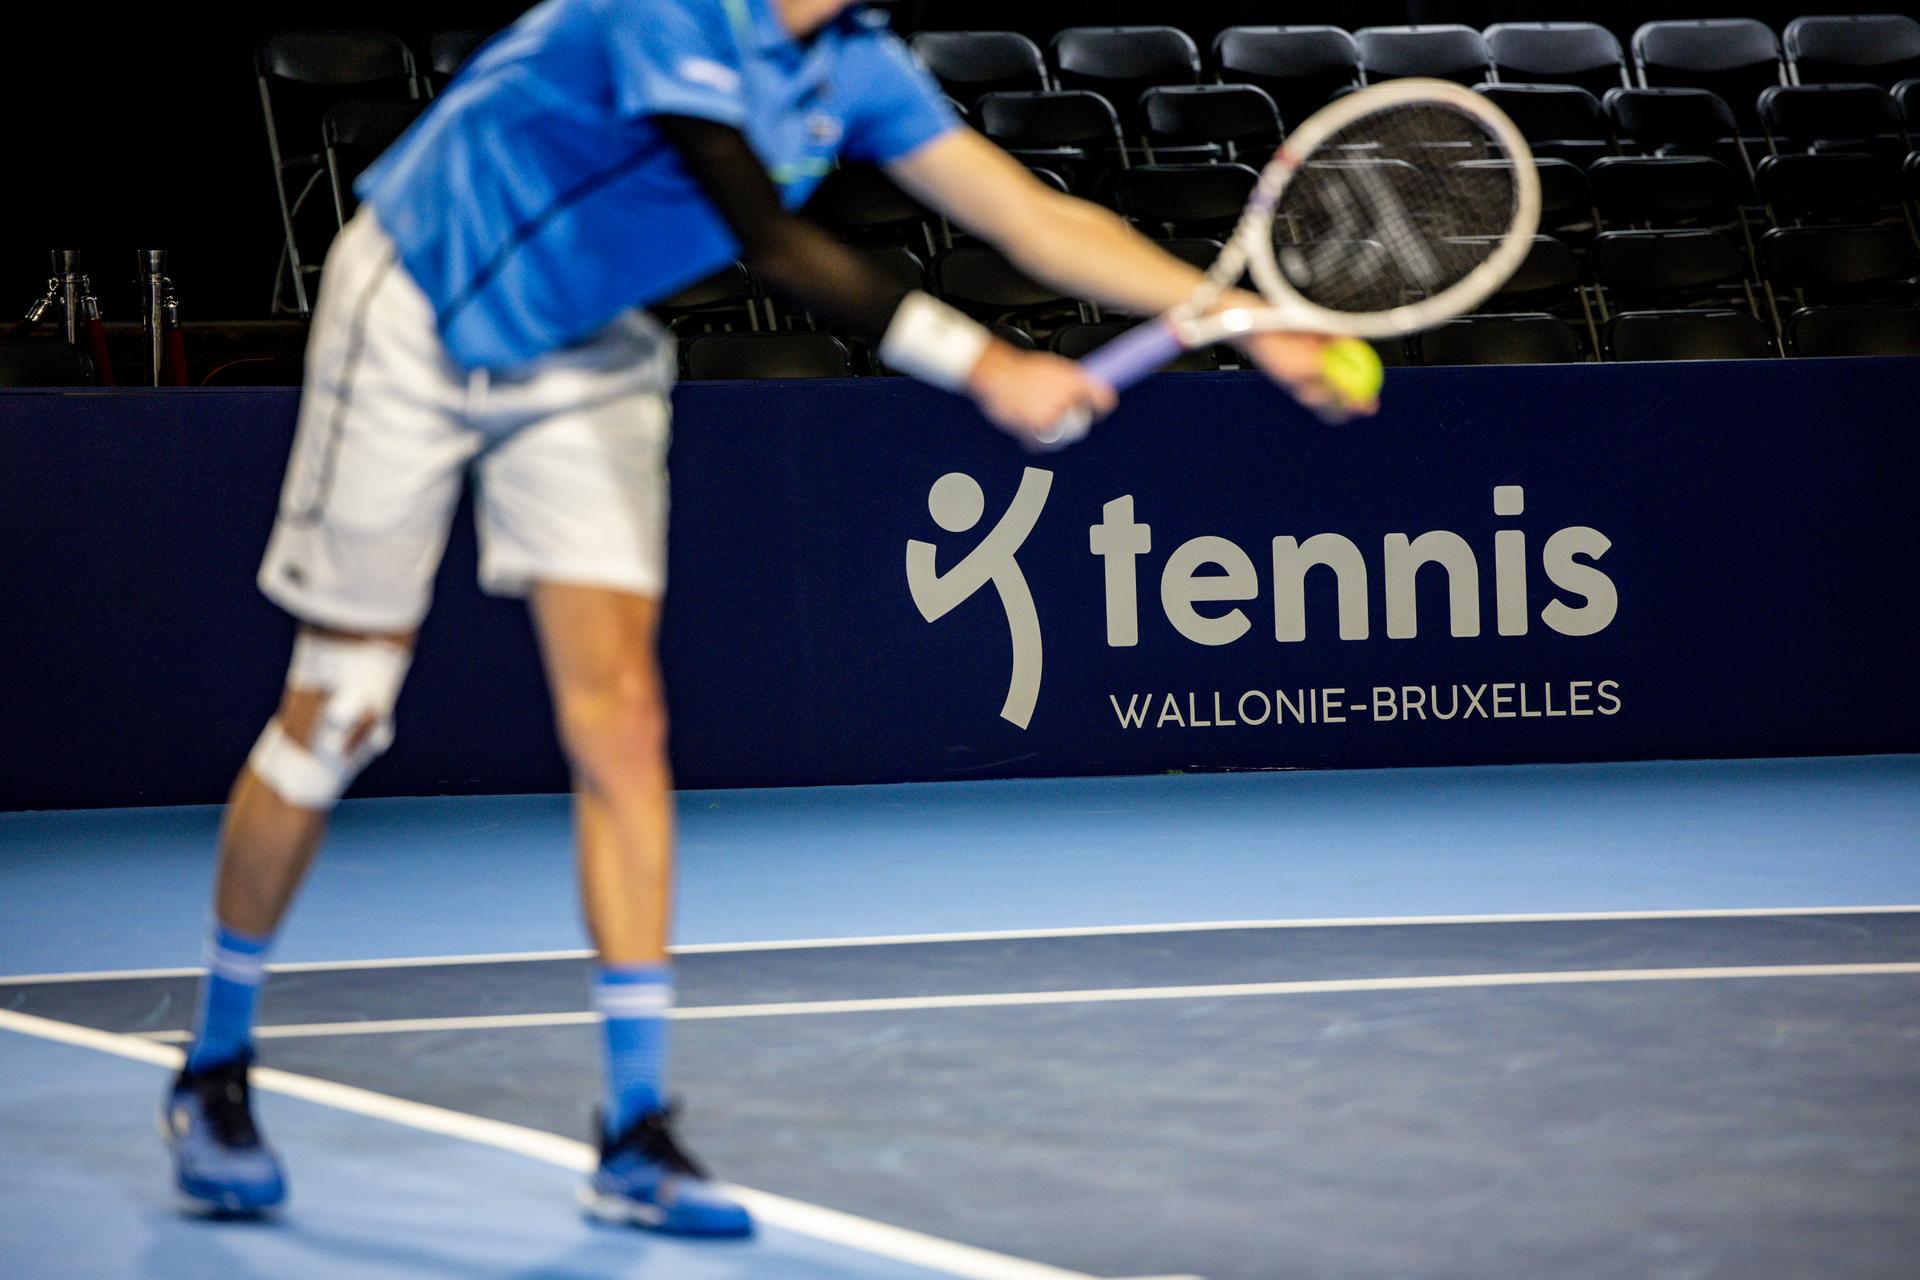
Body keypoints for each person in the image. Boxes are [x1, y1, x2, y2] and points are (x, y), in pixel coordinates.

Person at [162, 0, 1365, 1236]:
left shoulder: (856, 61)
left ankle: (634, 1128)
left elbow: (1031, 217)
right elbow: (767, 238)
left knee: (624, 722)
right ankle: (213, 1062)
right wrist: (989, 365)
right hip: (421, 299)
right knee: (341, 711)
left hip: (581, 351)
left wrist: (1252, 320)